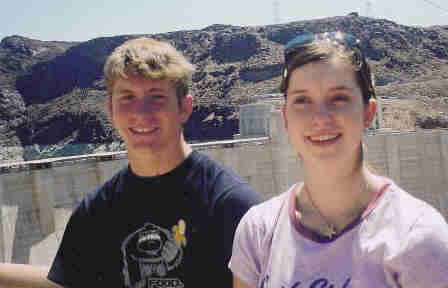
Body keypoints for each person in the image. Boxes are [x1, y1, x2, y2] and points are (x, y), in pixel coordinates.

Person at [0, 37, 260, 287]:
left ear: (184, 107)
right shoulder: (95, 212)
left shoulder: (231, 205)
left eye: (156, 96)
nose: (140, 113)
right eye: (127, 97)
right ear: (110, 110)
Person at [229, 31, 448, 288]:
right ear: (286, 118)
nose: (320, 118)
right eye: (302, 100)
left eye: (339, 98)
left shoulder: (417, 238)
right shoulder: (258, 232)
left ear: (369, 112)